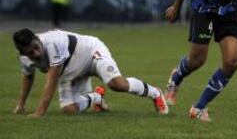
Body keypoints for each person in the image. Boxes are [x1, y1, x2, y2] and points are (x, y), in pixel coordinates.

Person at [12, 28, 168, 117]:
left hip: (90, 52)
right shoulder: (24, 59)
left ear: (37, 39)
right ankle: (96, 98)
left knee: (117, 84)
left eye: (36, 47)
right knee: (69, 110)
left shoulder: (52, 42)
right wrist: (21, 105)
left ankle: (155, 93)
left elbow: (51, 80)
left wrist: (39, 112)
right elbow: (28, 77)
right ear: (22, 53)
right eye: (30, 53)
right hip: (68, 70)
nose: (36, 53)